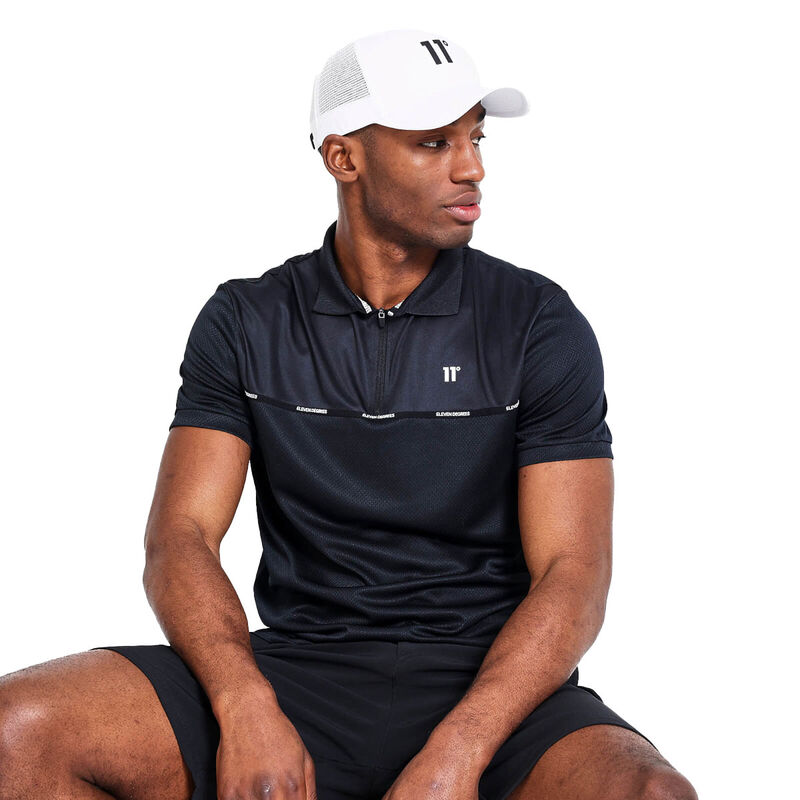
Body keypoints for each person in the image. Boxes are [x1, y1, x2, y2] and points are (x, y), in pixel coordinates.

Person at [0, 28, 698, 800]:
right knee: (17, 729)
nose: (472, 167)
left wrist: (462, 748)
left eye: (475, 137)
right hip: (300, 671)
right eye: (433, 142)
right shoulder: (247, 320)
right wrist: (244, 704)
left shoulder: (537, 321)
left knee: (651, 795)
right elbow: (181, 537)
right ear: (343, 157)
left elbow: (576, 572)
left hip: (492, 686)